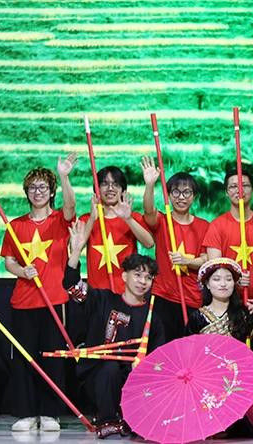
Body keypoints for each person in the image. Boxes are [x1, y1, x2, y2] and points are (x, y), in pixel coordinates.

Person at [64, 220, 165, 439]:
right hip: (97, 374)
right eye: (137, 274)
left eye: (148, 277)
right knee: (109, 368)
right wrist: (76, 252)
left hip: (133, 378)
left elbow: (158, 358)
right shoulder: (102, 300)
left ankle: (132, 418)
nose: (143, 281)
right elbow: (72, 288)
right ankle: (107, 419)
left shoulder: (153, 317)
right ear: (124, 276)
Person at [1, 155, 77, 432]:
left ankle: (49, 413)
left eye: (43, 187)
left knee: (52, 358)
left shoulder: (60, 220)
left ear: (52, 191)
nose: (37, 192)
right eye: (32, 187)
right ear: (26, 192)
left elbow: (71, 206)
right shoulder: (16, 225)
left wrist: (65, 176)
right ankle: (25, 413)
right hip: (23, 302)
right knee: (24, 358)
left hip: (54, 300)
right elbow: (8, 260)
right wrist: (22, 272)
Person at [189, 258, 253, 438]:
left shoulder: (243, 313)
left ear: (235, 284)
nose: (223, 283)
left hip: (237, 376)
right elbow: (190, 356)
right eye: (217, 279)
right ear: (207, 285)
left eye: (228, 279)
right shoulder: (196, 317)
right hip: (208, 376)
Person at [142, 157, 209, 340]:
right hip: (163, 296)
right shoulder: (163, 221)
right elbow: (148, 211)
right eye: (176, 192)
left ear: (194, 196)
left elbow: (206, 260)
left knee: (188, 352)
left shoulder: (204, 226)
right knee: (162, 351)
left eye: (187, 193)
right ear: (169, 195)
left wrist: (187, 261)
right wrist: (149, 185)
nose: (181, 197)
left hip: (192, 298)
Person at [202, 169, 253, 308]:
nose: (239, 190)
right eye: (233, 186)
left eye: (245, 185)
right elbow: (215, 267)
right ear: (226, 192)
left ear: (252, 189)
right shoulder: (217, 225)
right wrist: (236, 280)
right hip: (229, 303)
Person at [79, 165, 154, 294]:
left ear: (123, 190)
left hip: (127, 292)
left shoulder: (133, 217)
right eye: (104, 184)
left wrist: (128, 219)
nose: (110, 189)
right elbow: (75, 248)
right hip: (97, 294)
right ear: (96, 190)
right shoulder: (87, 219)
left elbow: (149, 243)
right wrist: (92, 219)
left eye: (115, 184)